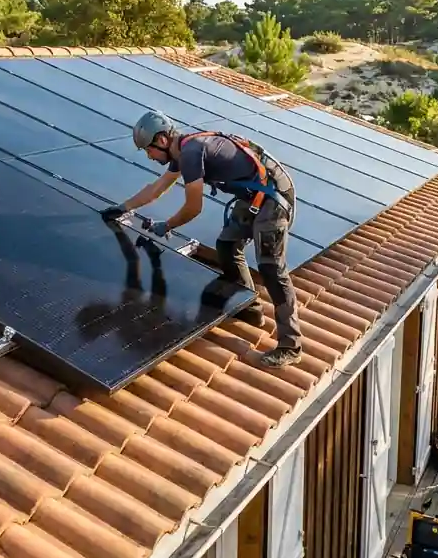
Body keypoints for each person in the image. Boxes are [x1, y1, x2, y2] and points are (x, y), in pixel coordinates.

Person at [100, 109, 304, 368]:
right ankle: (250, 306)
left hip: (273, 199)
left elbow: (194, 207)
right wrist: (123, 207)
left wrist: (168, 225)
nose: (149, 156)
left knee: (271, 267)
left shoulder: (191, 153)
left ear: (162, 140)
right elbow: (157, 188)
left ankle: (291, 345)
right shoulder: (182, 151)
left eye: (148, 149)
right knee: (227, 246)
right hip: (253, 197)